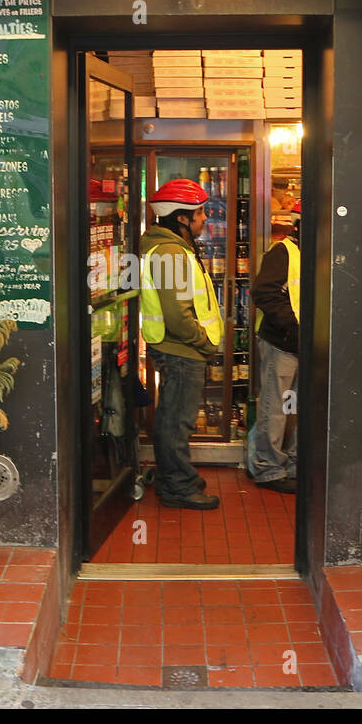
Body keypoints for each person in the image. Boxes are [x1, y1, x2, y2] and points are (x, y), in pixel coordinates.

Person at [140, 178, 223, 509]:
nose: (204, 219)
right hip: (181, 351)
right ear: (181, 218)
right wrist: (203, 343)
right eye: (199, 213)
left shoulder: (174, 248)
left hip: (181, 350)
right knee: (177, 421)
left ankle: (177, 478)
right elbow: (177, 314)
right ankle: (178, 487)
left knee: (174, 417)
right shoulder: (170, 252)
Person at [247, 201, 301, 494]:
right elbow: (263, 291)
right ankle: (268, 469)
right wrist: (292, 326)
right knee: (275, 406)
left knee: (296, 409)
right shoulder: (283, 252)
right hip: (282, 342)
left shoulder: (320, 254)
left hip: (303, 343)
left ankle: (292, 466)